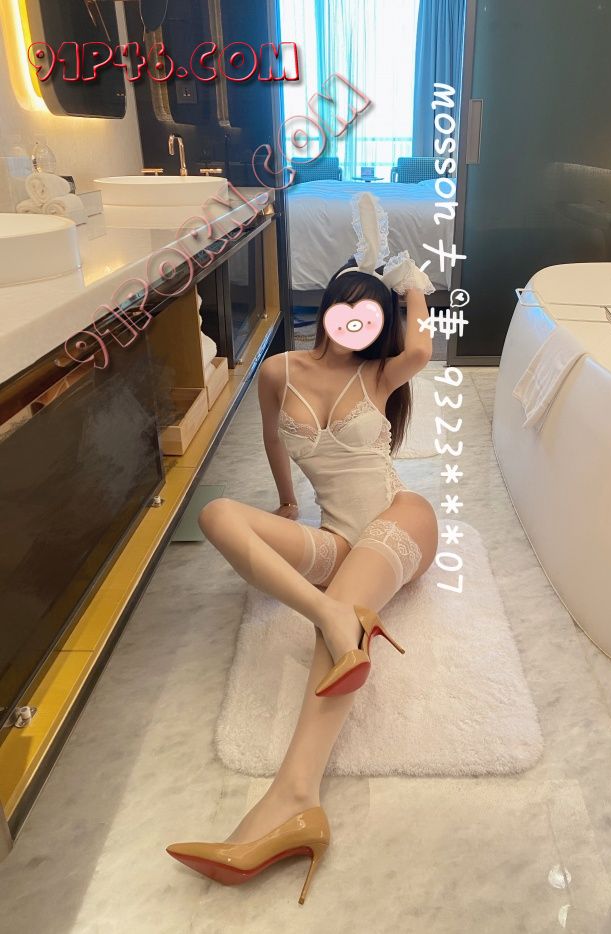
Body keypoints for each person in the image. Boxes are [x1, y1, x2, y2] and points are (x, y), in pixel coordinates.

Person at [166, 193, 439, 904]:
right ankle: (330, 614)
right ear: (328, 304)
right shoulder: (280, 370)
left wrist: (407, 280)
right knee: (220, 514)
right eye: (348, 306)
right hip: (337, 537)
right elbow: (270, 437)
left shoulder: (378, 374)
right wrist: (287, 504)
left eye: (370, 314)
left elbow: (420, 348)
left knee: (347, 605)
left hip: (401, 519)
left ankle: (293, 797)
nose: (355, 322)